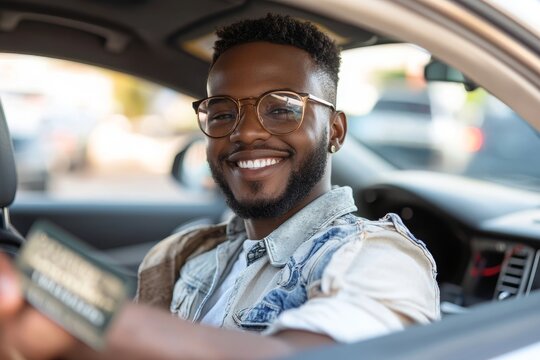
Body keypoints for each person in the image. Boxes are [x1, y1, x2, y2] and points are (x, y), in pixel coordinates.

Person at [0, 14, 439, 360]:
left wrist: (75, 319)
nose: (245, 132)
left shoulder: (379, 257)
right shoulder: (187, 254)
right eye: (222, 112)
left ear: (336, 132)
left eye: (283, 108)